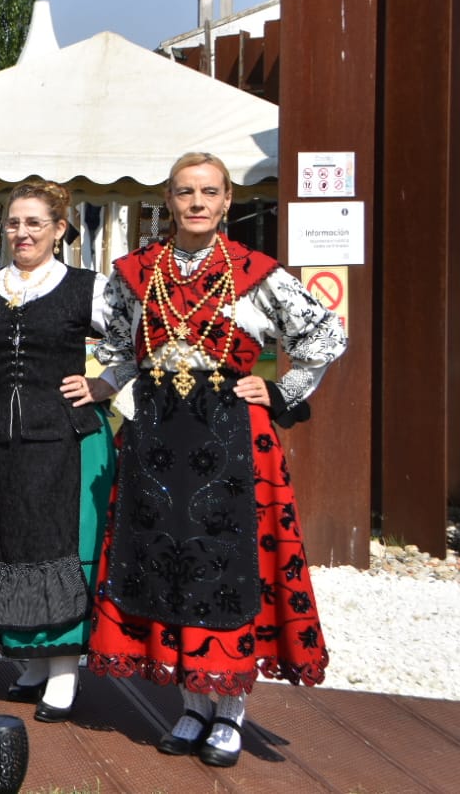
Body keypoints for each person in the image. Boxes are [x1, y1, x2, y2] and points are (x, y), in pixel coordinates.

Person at [81, 152, 347, 768]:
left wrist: (281, 391)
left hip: (231, 437)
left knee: (227, 569)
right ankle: (190, 704)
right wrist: (113, 388)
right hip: (157, 440)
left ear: (228, 200)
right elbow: (121, 348)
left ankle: (228, 709)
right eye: (184, 192)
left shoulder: (258, 273)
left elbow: (326, 335)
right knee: (167, 566)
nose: (196, 202)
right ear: (168, 201)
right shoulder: (136, 272)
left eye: (208, 192)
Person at [0, 180, 114, 724]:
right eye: (15, 223)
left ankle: (64, 667)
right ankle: (30, 658)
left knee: (55, 542)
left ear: (59, 230)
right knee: (7, 540)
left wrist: (106, 383)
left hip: (62, 438)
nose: (22, 233)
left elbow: (140, 334)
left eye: (34, 223)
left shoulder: (85, 287)